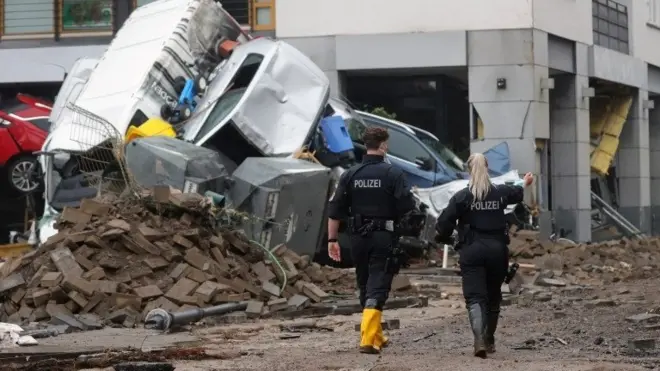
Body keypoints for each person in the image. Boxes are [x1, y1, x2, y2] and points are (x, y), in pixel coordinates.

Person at [326, 126, 416, 354]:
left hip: (357, 237)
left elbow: (334, 210)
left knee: (364, 282)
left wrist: (332, 240)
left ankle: (376, 334)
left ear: (366, 145)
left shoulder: (350, 175)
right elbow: (407, 206)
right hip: (382, 236)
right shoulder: (393, 174)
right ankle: (366, 339)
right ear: (383, 145)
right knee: (379, 283)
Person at [434, 153, 533, 358]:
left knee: (475, 297)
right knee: (493, 296)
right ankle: (489, 339)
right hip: (497, 250)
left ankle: (478, 340)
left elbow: (443, 224)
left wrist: (445, 238)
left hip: (471, 250)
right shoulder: (500, 193)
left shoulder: (462, 196)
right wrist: (525, 181)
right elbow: (517, 191)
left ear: (469, 169)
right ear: (487, 168)